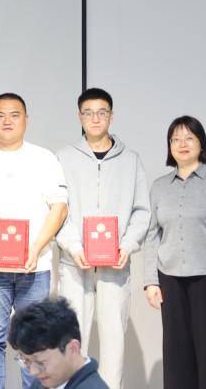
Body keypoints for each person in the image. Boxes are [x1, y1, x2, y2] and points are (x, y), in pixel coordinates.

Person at [0, 92, 69, 389]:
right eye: (0, 115)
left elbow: (59, 208)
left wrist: (35, 248)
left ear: (26, 120)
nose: (7, 121)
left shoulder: (44, 158)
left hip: (35, 266)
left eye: (14, 115)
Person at [54, 88, 150, 389]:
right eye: (88, 113)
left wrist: (128, 245)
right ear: (79, 116)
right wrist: (74, 246)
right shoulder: (63, 158)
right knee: (71, 342)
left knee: (114, 342)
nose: (95, 118)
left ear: (111, 115)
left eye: (101, 112)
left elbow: (142, 211)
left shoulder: (130, 160)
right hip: (74, 264)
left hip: (115, 266)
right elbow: (57, 210)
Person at [144, 115, 206, 389]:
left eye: (189, 138)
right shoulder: (159, 187)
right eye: (175, 139)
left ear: (201, 143)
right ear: (169, 146)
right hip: (169, 279)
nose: (182, 144)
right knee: (176, 353)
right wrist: (151, 281)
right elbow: (152, 235)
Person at [8, 297, 109, 389]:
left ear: (73, 349)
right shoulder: (43, 383)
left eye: (40, 362)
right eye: (26, 361)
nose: (33, 372)